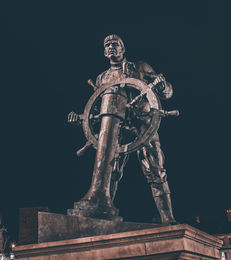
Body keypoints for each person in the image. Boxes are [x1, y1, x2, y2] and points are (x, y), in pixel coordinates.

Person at [69, 34, 176, 224]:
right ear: (104, 52)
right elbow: (96, 110)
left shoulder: (140, 68)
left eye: (115, 44)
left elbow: (168, 91)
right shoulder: (102, 78)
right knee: (111, 172)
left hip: (142, 124)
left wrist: (162, 86)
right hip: (116, 131)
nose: (111, 47)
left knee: (156, 169)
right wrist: (81, 120)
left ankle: (168, 219)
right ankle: (104, 211)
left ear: (122, 49)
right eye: (107, 44)